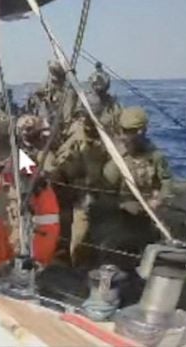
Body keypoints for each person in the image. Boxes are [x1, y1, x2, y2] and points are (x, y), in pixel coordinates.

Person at [95, 106, 173, 265]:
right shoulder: (117, 160)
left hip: (147, 216)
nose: (125, 136)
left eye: (130, 131)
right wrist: (123, 205)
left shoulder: (155, 156)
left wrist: (159, 199)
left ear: (142, 131)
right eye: (123, 131)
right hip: (118, 219)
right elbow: (102, 194)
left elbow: (166, 180)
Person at [50, 102, 109, 266]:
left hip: (99, 193)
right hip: (79, 196)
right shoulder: (76, 141)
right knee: (78, 237)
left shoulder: (106, 141)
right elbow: (61, 166)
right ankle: (75, 264)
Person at [87, 62, 122, 134]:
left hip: (101, 98)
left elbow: (94, 84)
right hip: (102, 98)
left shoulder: (96, 75)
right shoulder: (103, 75)